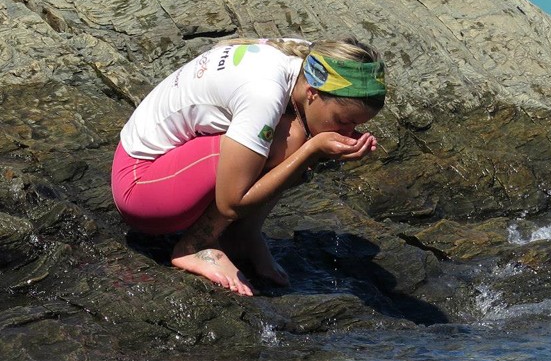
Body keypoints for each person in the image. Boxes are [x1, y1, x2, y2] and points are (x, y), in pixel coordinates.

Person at [110, 37, 386, 296]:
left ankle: (242, 234)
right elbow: (231, 203)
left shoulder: (307, 61)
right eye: (343, 120)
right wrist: (312, 150)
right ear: (312, 94)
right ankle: (195, 245)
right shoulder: (265, 93)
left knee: (293, 139)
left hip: (168, 167)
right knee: (291, 144)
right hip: (141, 189)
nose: (350, 131)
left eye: (357, 125)